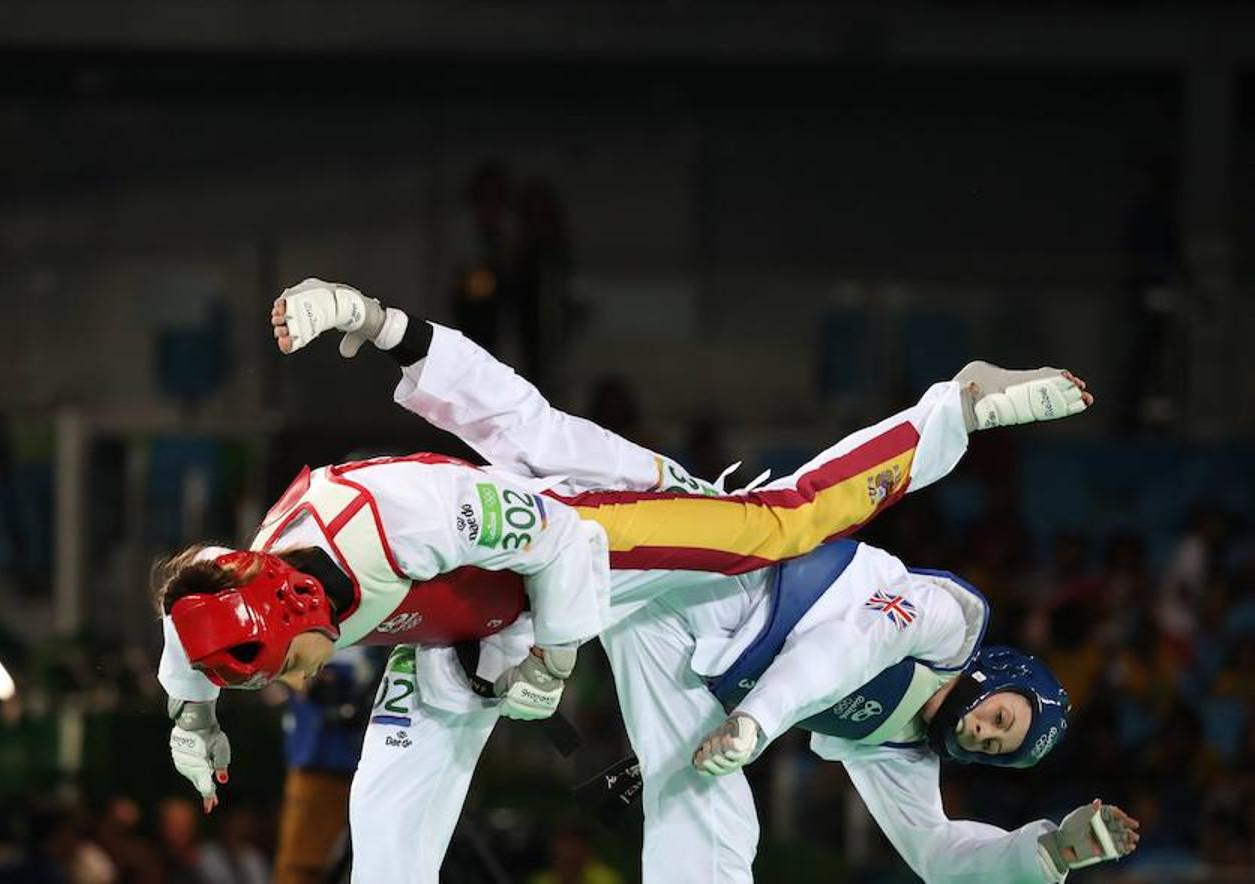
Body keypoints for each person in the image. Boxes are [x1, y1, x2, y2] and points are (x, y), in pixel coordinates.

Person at [269, 281, 1127, 883]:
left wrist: (1044, 853)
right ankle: (958, 406)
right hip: (721, 564)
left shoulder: (890, 747)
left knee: (700, 806)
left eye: (1000, 754)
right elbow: (846, 645)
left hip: (669, 646)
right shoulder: (950, 623)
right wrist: (376, 321)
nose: (988, 739)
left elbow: (938, 856)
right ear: (1006, 678)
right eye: (1006, 722)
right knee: (789, 515)